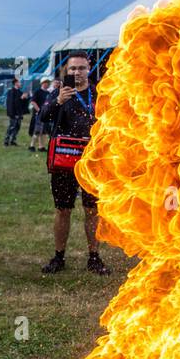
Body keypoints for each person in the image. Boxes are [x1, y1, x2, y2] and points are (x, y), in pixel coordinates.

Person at [41, 51, 109, 275]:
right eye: (73, 69)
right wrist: (59, 101)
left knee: (92, 210)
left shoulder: (98, 93)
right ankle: (59, 256)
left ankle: (94, 256)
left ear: (89, 68)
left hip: (92, 162)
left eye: (81, 68)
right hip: (64, 160)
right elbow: (42, 116)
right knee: (63, 209)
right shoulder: (59, 93)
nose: (77, 72)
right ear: (66, 71)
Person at [28, 77, 52, 152]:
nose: (47, 84)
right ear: (42, 83)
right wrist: (39, 110)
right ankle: (31, 146)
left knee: (44, 132)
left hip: (46, 115)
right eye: (45, 82)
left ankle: (41, 147)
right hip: (38, 115)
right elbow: (33, 102)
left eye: (48, 82)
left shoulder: (48, 93)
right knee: (37, 131)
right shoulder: (37, 91)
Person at [4, 79, 29, 146]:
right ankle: (6, 141)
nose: (21, 84)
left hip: (19, 113)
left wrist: (26, 98)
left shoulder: (20, 92)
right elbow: (11, 103)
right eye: (19, 82)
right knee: (12, 126)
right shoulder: (11, 91)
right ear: (15, 83)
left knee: (17, 127)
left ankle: (13, 140)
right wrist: (12, 114)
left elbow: (22, 103)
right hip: (14, 113)